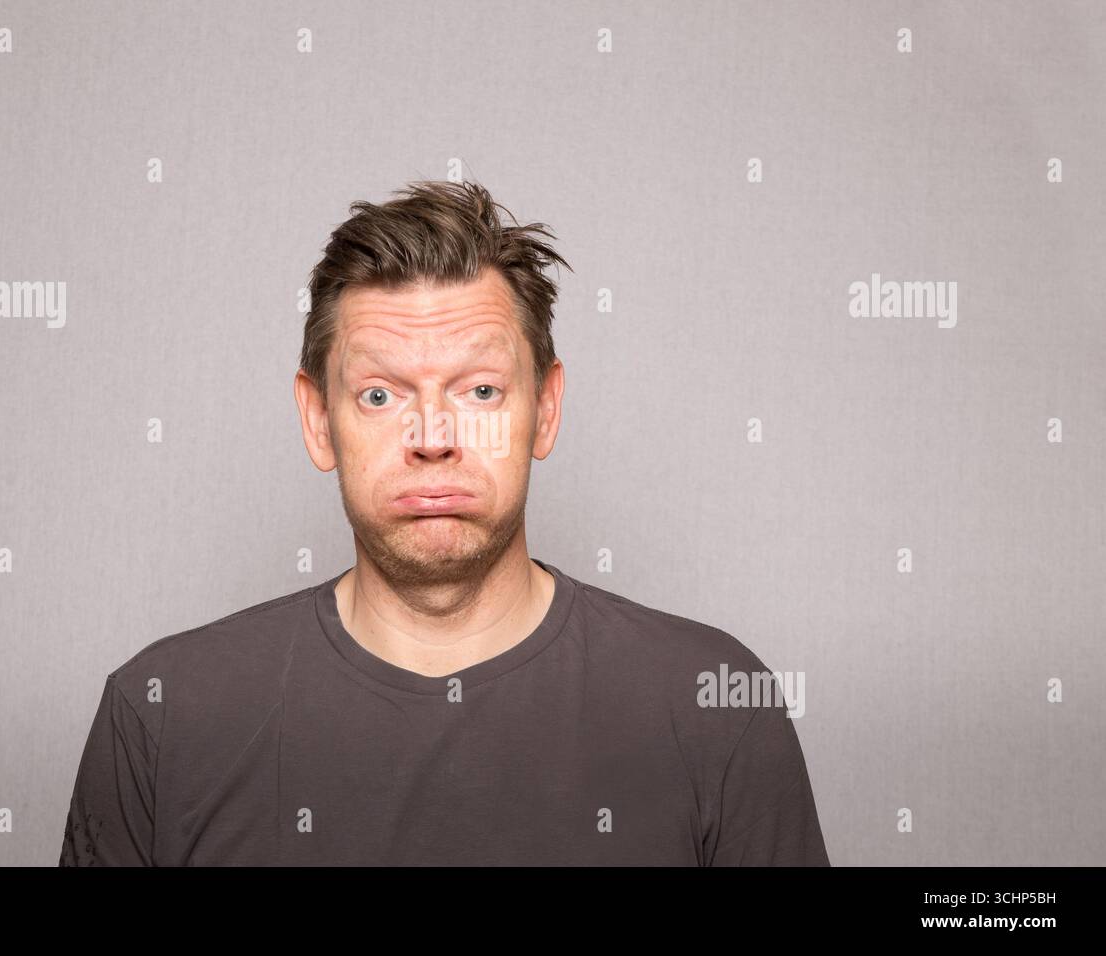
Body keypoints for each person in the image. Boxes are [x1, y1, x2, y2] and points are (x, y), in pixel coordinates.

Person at [58, 180, 831, 866]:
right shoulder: (162, 715)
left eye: (481, 392)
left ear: (547, 409)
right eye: (381, 396)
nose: (433, 437)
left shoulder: (714, 704)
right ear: (319, 421)